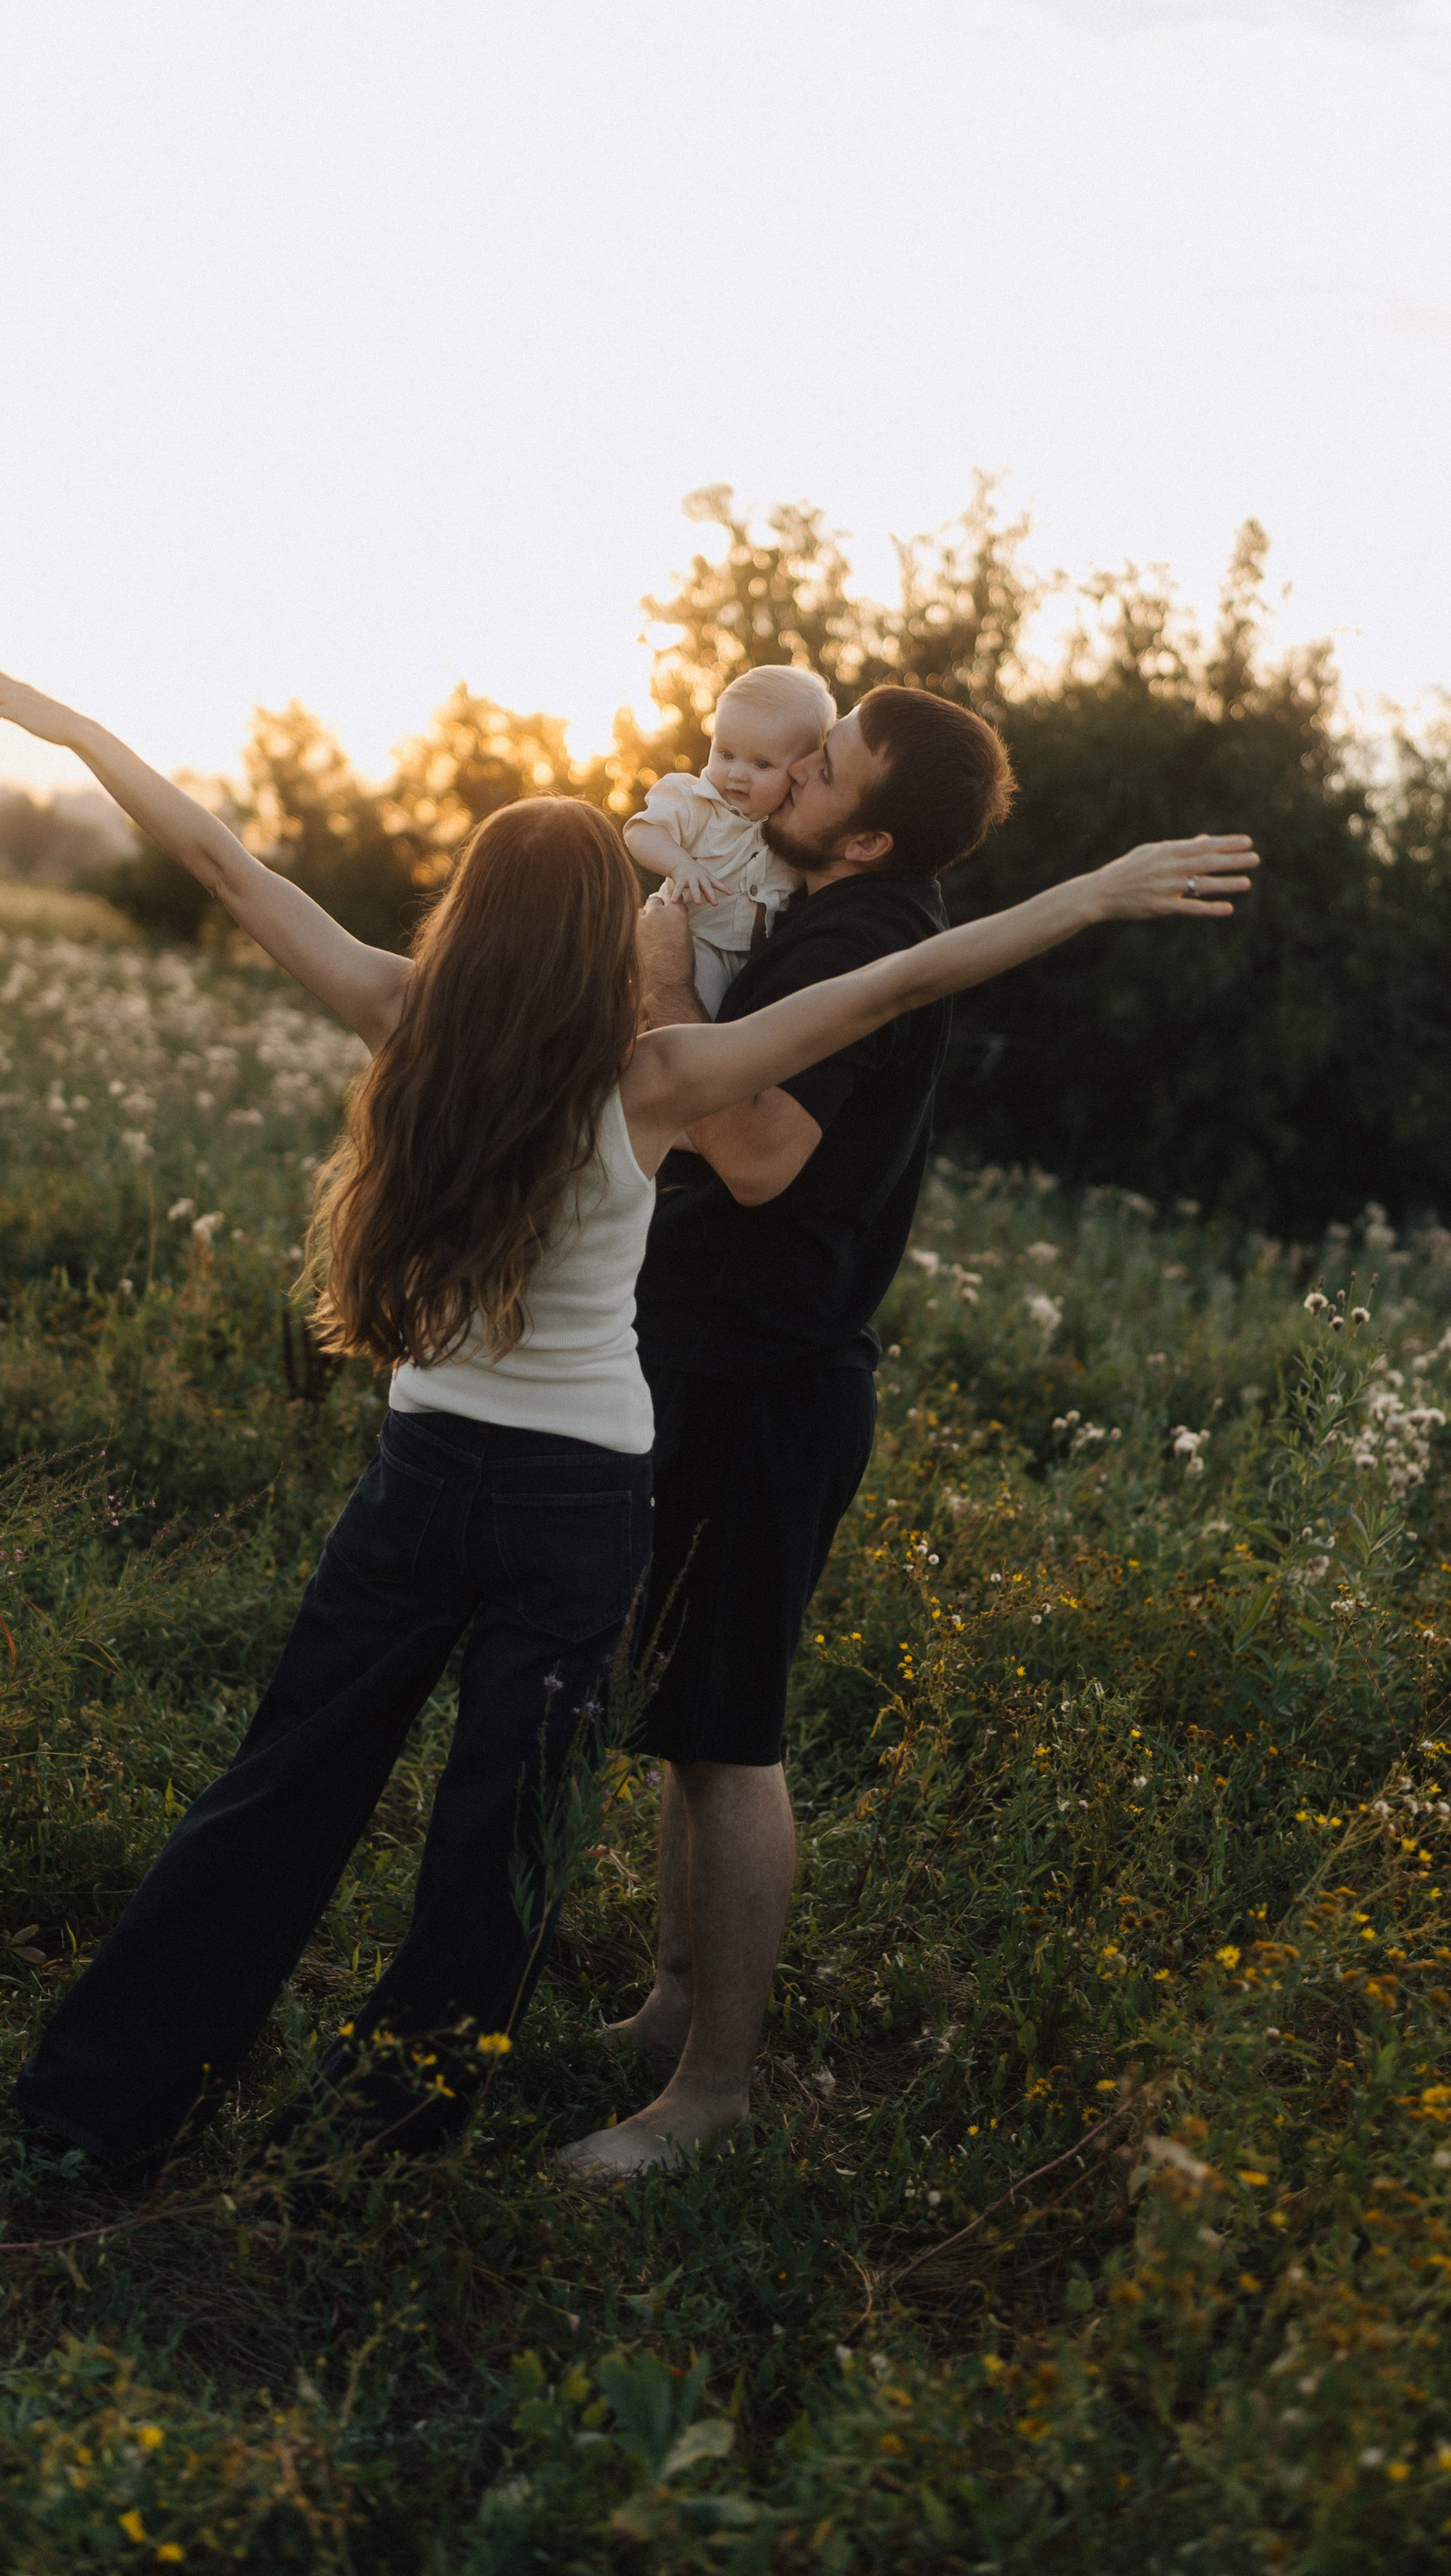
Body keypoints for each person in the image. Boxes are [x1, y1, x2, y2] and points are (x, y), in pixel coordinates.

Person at [0, 649, 1254, 2177]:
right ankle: (379, 2150)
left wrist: (77, 725)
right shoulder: (656, 1074)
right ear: (600, 930)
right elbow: (899, 981)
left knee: (278, 1790)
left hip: (420, 1475)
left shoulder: (402, 1012)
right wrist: (1086, 893)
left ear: (465, 914)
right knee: (497, 1848)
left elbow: (224, 865)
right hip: (578, 1506)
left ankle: (91, 2111)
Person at [564, 684, 1018, 2179]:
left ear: (872, 831)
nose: (794, 771)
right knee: (685, 1719)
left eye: (824, 770)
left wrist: (656, 989)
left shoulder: (856, 938)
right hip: (723, 1359)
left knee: (730, 1733)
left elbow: (754, 1152)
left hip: (766, 1383)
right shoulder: (816, 908)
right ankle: (668, 2008)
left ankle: (711, 2094)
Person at [622, 666, 834, 1014]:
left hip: (758, 957)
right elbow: (641, 832)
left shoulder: (792, 828)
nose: (737, 773)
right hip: (693, 943)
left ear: (800, 771)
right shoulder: (695, 800)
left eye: (762, 764)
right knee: (704, 1010)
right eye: (725, 754)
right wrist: (681, 864)